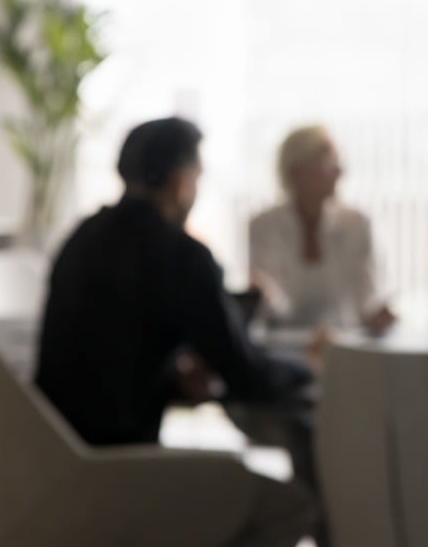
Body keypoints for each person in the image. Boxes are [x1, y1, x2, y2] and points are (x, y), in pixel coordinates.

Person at [35, 117, 315, 545]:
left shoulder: (80, 239)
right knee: (291, 507)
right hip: (123, 475)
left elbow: (102, 357)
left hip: (50, 468)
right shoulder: (182, 255)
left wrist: (170, 380)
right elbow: (247, 375)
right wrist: (311, 365)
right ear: (183, 182)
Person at [249, 125, 395, 334]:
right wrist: (263, 296)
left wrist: (378, 315)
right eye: (329, 162)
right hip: (282, 347)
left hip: (345, 346)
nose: (339, 171)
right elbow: (272, 307)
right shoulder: (263, 226)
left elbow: (366, 301)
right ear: (297, 171)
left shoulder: (358, 224)